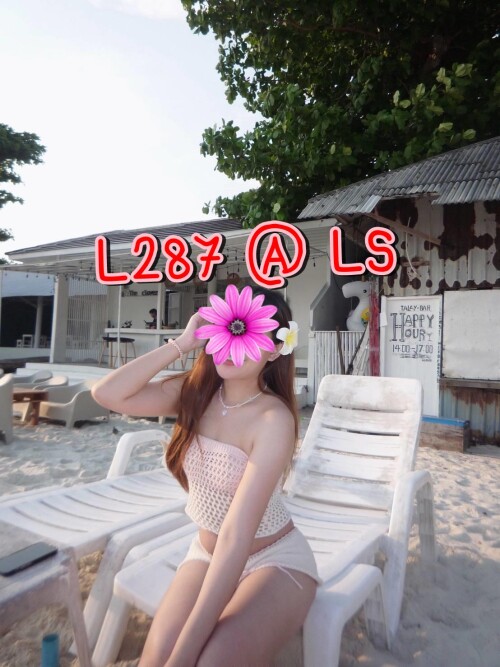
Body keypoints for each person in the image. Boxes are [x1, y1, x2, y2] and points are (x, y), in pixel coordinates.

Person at [91, 286, 320, 667]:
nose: (232, 343)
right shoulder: (195, 393)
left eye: (249, 333)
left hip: (274, 560)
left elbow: (236, 536)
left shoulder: (272, 419)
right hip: (206, 554)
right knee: (155, 658)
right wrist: (181, 344)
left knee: (207, 660)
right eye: (226, 329)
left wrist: (185, 654)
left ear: (275, 349)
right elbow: (107, 394)